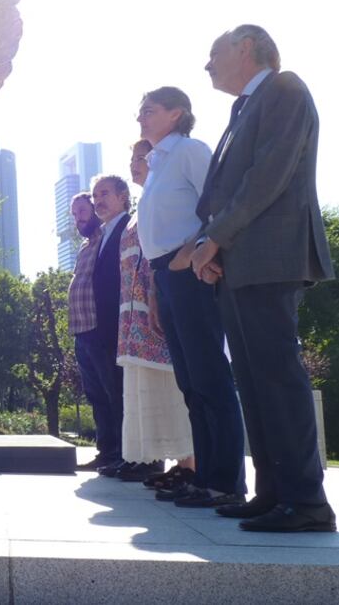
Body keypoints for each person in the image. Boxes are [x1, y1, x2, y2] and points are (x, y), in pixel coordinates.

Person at [191, 25, 335, 532]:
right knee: (252, 382)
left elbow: (268, 175)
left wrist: (215, 238)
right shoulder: (243, 107)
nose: (207, 64)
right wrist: (211, 242)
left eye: (214, 53)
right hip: (239, 261)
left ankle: (308, 502)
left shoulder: (285, 89)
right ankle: (274, 492)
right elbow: (223, 191)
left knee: (277, 377)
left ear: (246, 48)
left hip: (269, 257)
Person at [134, 87, 246, 508]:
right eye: (140, 111)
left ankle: (227, 482)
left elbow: (221, 205)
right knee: (191, 384)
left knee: (211, 378)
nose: (140, 117)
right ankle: (204, 478)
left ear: (177, 113)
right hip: (166, 276)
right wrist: (157, 287)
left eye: (149, 110)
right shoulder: (159, 163)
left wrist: (193, 252)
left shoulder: (190, 151)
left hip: (192, 270)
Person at [116, 139, 195, 486]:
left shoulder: (164, 202)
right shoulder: (138, 211)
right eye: (131, 158)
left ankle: (192, 461)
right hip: (135, 322)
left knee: (176, 386)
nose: (134, 164)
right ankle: (178, 461)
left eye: (141, 158)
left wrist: (156, 299)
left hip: (160, 307)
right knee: (153, 391)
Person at [68, 194, 109, 471]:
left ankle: (120, 453)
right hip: (81, 330)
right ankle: (106, 452)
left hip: (99, 328)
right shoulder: (85, 246)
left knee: (111, 392)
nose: (78, 218)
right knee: (95, 395)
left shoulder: (107, 238)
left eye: (82, 211)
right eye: (74, 214)